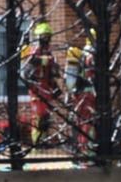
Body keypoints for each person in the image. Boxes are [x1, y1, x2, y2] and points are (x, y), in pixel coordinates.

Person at [19, 20, 61, 145]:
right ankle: (37, 142)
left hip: (46, 85)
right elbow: (32, 61)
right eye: (44, 36)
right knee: (38, 115)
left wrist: (55, 85)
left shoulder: (47, 50)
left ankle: (44, 139)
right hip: (36, 86)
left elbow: (51, 69)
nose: (46, 39)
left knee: (46, 115)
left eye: (48, 36)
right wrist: (48, 61)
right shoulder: (33, 49)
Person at [65, 25, 97, 154]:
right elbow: (92, 75)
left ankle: (82, 150)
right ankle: (87, 151)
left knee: (81, 122)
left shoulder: (83, 53)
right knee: (88, 122)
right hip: (88, 93)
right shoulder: (92, 55)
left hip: (80, 93)